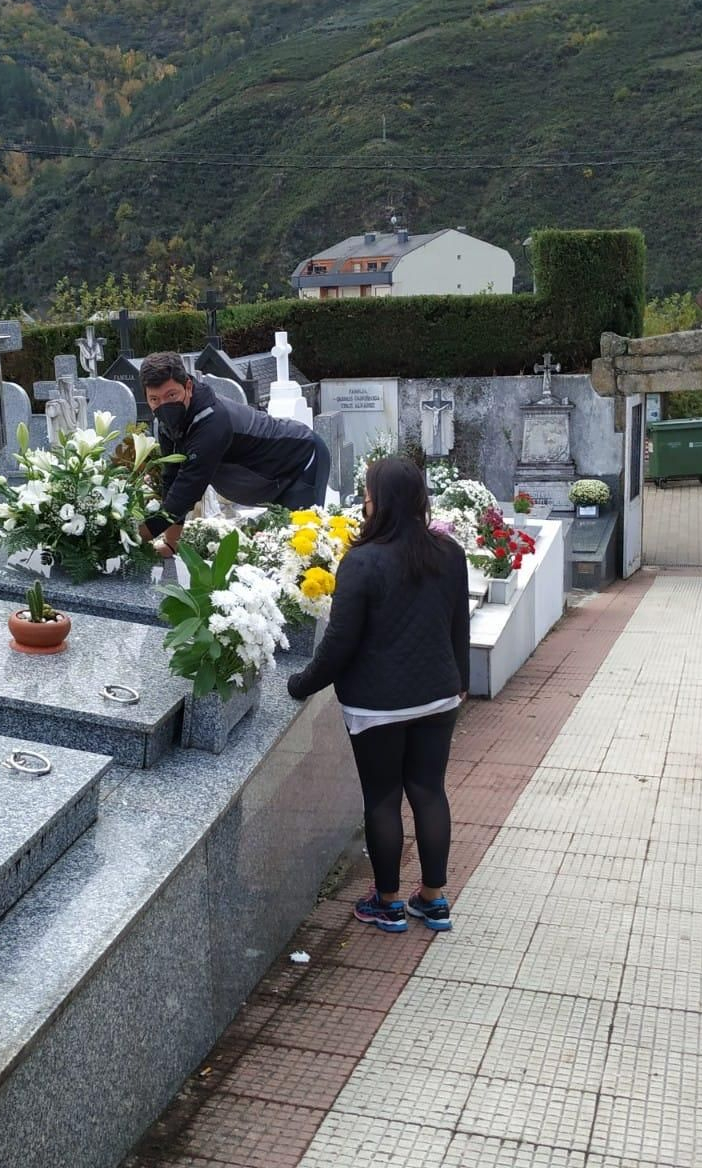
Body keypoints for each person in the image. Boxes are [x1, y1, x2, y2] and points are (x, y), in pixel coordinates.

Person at [286, 456, 469, 933]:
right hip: (438, 696)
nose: (364, 500)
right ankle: (433, 899)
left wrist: (299, 684)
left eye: (368, 492)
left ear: (378, 500)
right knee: (429, 791)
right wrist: (459, 681)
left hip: (377, 705)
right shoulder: (448, 552)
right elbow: (458, 625)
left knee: (383, 798)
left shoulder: (361, 561)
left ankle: (387, 903)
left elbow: (339, 645)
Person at [138, 352, 329, 555]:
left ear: (188, 387)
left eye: (171, 395)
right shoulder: (168, 424)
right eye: (154, 399)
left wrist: (133, 538)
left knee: (300, 551)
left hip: (300, 461)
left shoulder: (212, 423)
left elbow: (186, 492)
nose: (164, 405)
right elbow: (172, 479)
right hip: (265, 481)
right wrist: (170, 544)